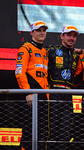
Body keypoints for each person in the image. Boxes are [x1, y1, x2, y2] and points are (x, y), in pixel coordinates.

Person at [15, 20, 49, 150]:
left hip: (43, 97)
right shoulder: (26, 48)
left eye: (43, 30)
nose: (41, 33)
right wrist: (27, 92)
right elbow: (19, 72)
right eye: (38, 30)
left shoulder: (45, 52)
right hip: (31, 96)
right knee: (28, 131)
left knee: (41, 131)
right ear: (32, 32)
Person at [47, 25, 80, 149]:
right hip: (54, 93)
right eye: (68, 35)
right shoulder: (52, 51)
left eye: (74, 36)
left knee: (65, 133)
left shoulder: (77, 55)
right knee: (51, 131)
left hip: (69, 96)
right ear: (61, 36)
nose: (71, 38)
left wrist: (81, 50)